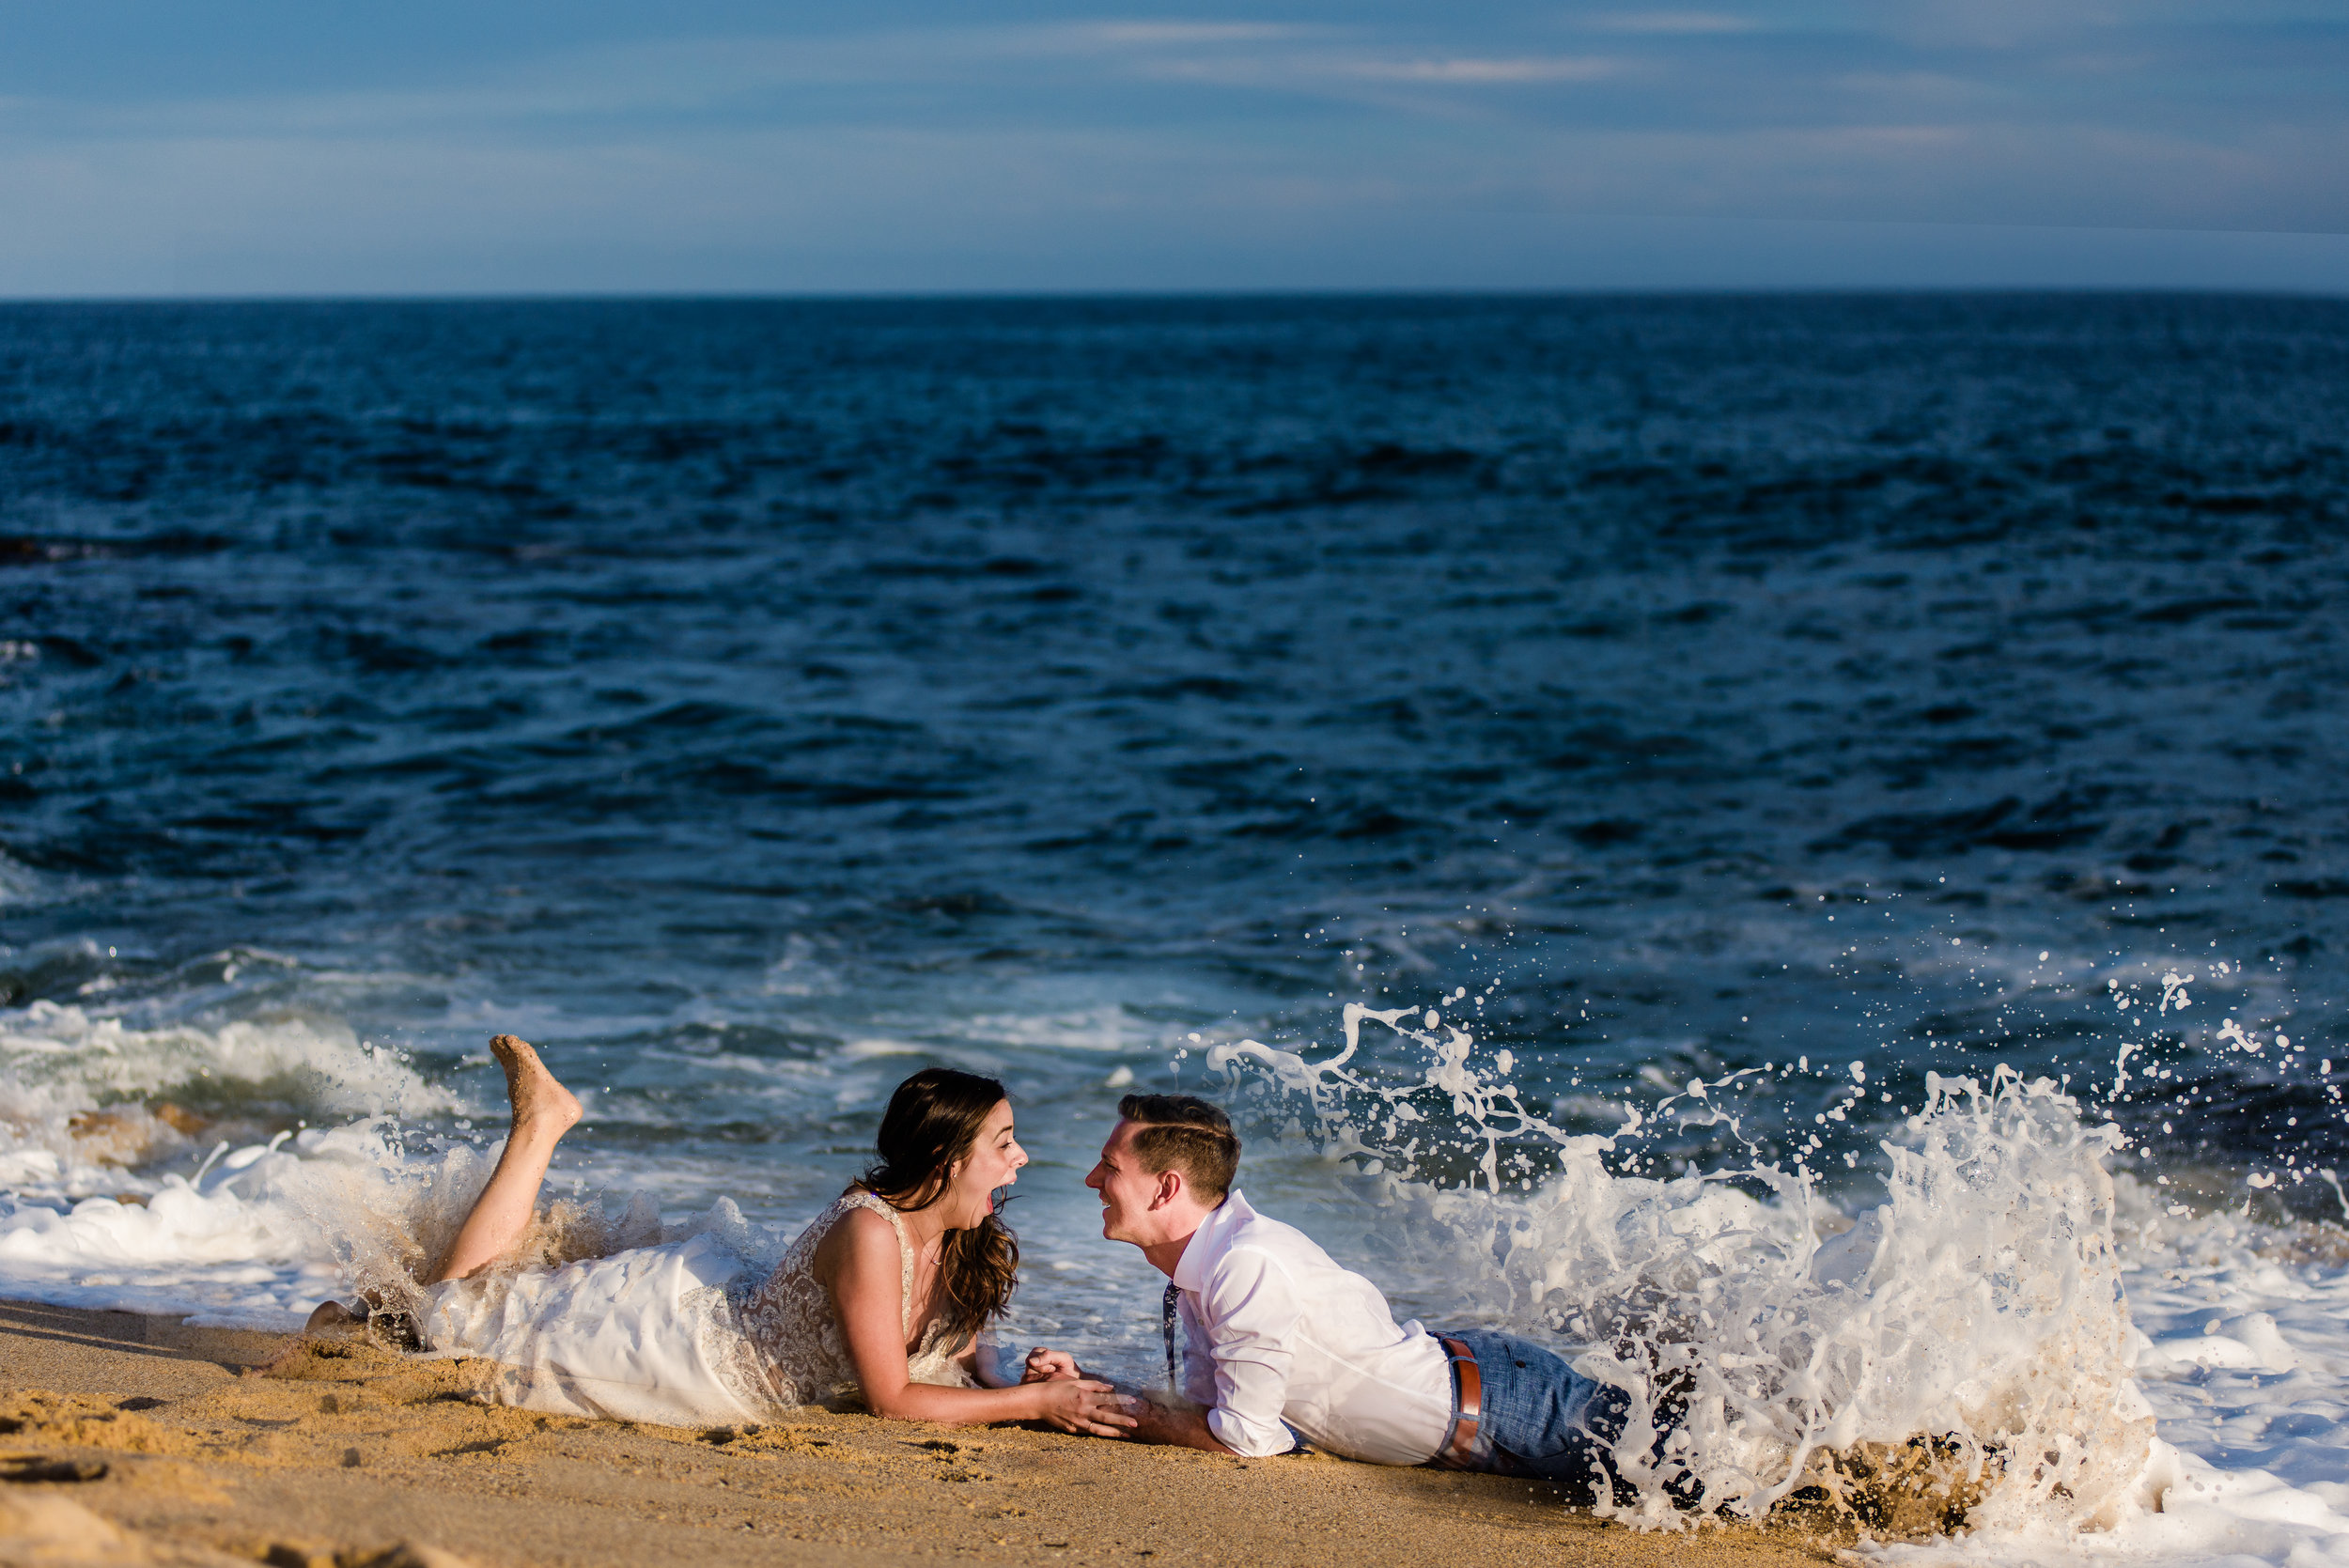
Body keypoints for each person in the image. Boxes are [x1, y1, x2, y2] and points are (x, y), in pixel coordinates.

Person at [335, 1033, 1129, 1435]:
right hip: (690, 1352)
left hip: (732, 1317)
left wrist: (1007, 1374)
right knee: (451, 1314)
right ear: (948, 1157)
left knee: (457, 1312)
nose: (1021, 1156)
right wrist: (1034, 1404)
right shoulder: (871, 1232)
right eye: (1004, 1141)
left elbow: (950, 1353)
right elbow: (891, 1399)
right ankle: (540, 1127)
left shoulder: (964, 1229)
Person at [1078, 1092, 1640, 1501]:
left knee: (1703, 1468)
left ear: (1167, 1187)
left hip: (1504, 1408)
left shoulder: (1243, 1264)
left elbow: (1244, 1440)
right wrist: (1087, 1389)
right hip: (1473, 1394)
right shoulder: (1207, 1264)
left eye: (1110, 1166)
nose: (1091, 1179)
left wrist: (1112, 1410)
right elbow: (1216, 1418)